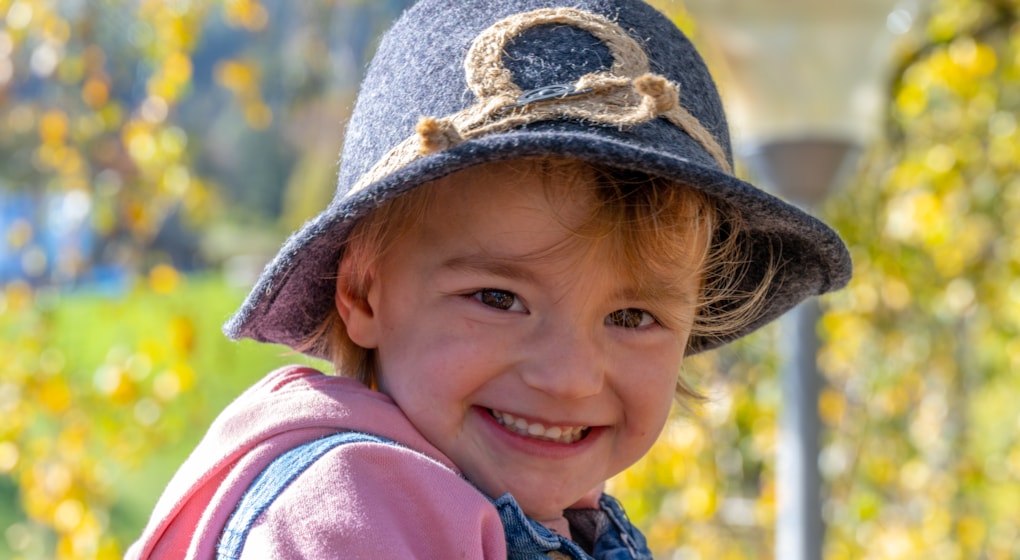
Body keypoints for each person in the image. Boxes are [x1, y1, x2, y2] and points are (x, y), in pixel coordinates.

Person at [127, 0, 852, 558]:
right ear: (364, 294)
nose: (569, 378)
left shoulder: (547, 519)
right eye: (499, 299)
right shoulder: (347, 516)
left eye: (632, 317)